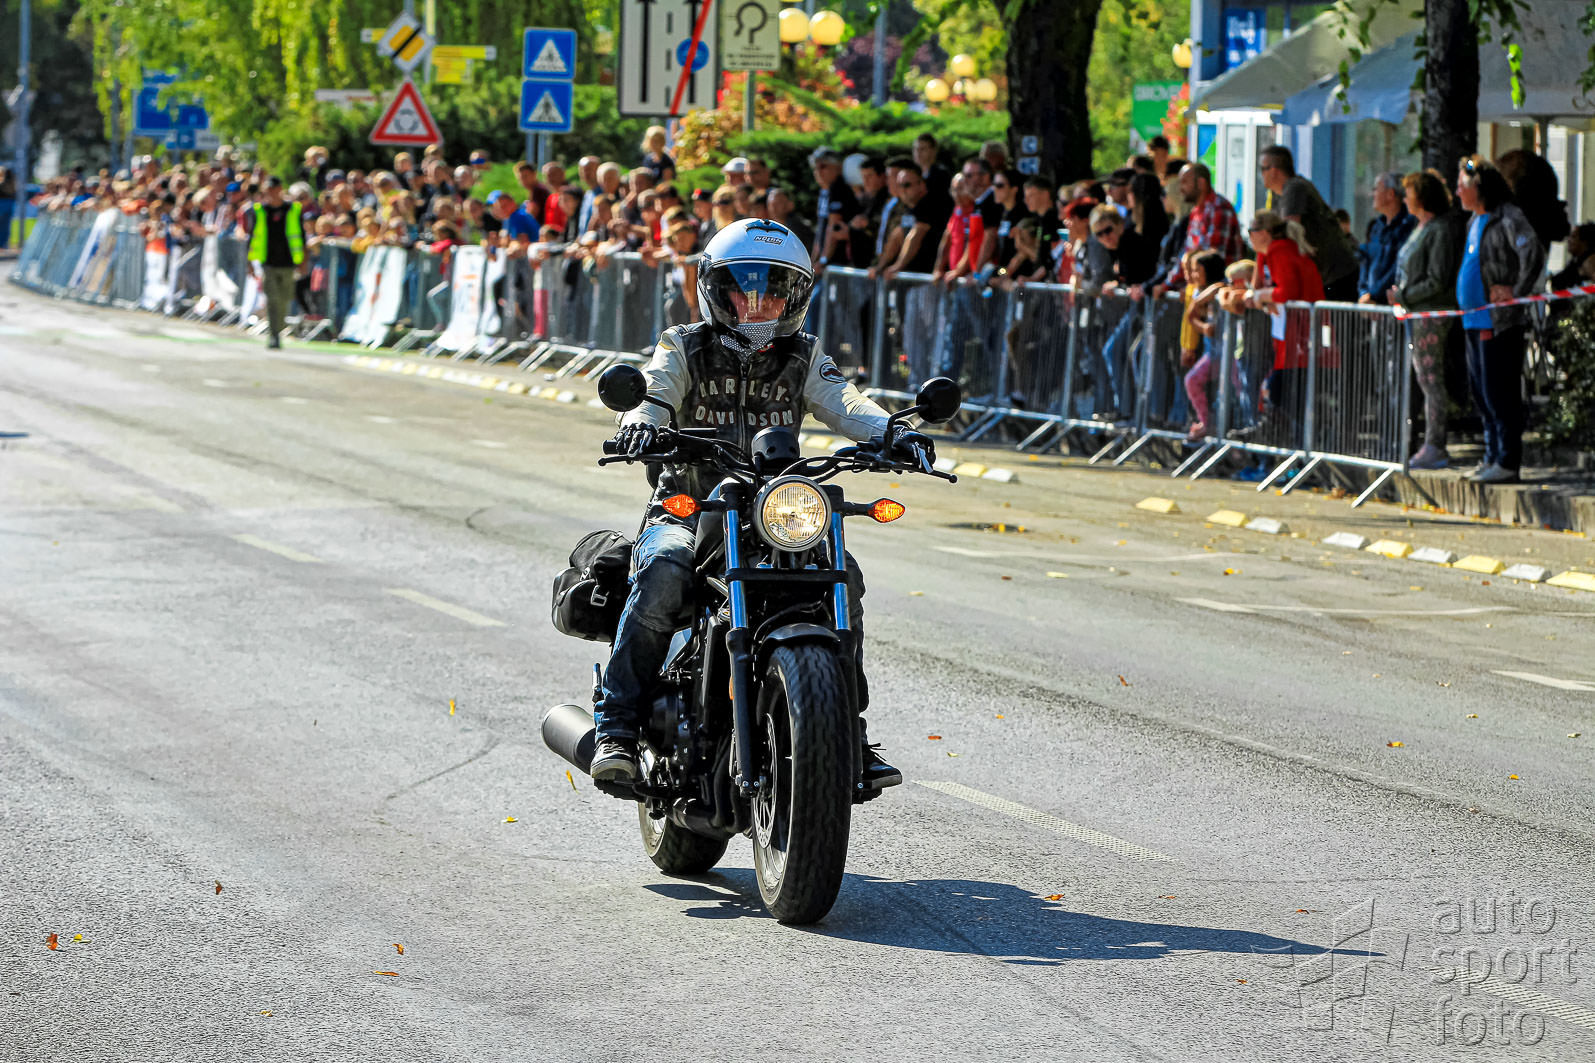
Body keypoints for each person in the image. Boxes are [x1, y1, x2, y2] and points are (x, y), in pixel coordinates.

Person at [590, 218, 922, 791]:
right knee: (664, 570)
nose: (760, 303)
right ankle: (616, 726)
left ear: (794, 298)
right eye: (745, 289)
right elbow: (654, 390)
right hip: (691, 506)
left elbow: (844, 402)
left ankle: (848, 731)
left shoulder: (803, 355)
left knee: (842, 577)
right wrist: (640, 424)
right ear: (716, 291)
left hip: (774, 514)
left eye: (774, 291)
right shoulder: (683, 345)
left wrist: (894, 432)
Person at [1454, 155, 1545, 484]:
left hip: (1498, 321)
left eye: (1462, 186)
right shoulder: (1474, 222)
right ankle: (1492, 456)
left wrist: (1516, 291)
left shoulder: (1507, 216)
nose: (1457, 192)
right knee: (1481, 393)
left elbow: (1532, 253)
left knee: (1498, 392)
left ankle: (1507, 460)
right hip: (1472, 320)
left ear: (1479, 186)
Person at [1387, 170, 1464, 470]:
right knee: (1421, 379)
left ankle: (1435, 444)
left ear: (1421, 197)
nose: (1404, 199)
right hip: (1414, 313)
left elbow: (1437, 278)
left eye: (1409, 193)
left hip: (1430, 314)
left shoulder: (1440, 229)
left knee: (1430, 380)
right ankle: (1419, 441)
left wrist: (1404, 295)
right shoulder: (1422, 227)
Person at [1240, 210, 1324, 440]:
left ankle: (1293, 445)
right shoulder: (1268, 254)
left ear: (1265, 233)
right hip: (1288, 334)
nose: (1249, 236)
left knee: (1285, 394)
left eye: (1251, 231)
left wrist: (1261, 296)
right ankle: (1277, 439)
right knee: (1280, 392)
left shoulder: (1281, 252)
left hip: (1301, 333)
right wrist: (1260, 295)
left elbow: (1287, 292)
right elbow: (1257, 290)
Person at [1257, 145, 1359, 302]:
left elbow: (1287, 236)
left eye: (1262, 169)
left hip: (1336, 274)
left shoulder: (1295, 188)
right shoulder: (1277, 195)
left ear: (1274, 170)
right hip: (1323, 275)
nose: (1261, 174)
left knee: (1334, 317)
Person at [1161, 163, 1242, 292]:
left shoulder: (1219, 208)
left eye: (1185, 182)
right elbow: (1187, 251)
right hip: (1199, 288)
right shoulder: (1196, 211)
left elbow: (1212, 259)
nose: (1181, 188)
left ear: (1201, 183)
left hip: (1217, 289)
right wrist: (1168, 284)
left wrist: (1173, 285)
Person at [247, 176, 304, 350]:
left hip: (288, 262)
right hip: (268, 262)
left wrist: (303, 260)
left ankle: (278, 328)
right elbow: (252, 236)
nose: (270, 192)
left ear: (280, 189)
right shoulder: (260, 210)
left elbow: (301, 236)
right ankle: (274, 335)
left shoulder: (292, 209)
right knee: (272, 299)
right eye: (268, 189)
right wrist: (249, 261)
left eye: (273, 188)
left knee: (284, 299)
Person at [1357, 172, 1416, 305]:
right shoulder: (1376, 227)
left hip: (1390, 304)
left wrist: (1374, 296)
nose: (1372, 194)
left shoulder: (1408, 226)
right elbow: (1366, 261)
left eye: (1376, 189)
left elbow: (1398, 266)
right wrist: (1364, 293)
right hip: (1370, 304)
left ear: (1390, 194)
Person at [809, 148, 861, 267]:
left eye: (823, 166)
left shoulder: (839, 188)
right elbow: (821, 230)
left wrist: (823, 260)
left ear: (838, 167)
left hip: (839, 261)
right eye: (815, 168)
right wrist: (812, 262)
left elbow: (833, 226)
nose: (818, 171)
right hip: (827, 261)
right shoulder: (825, 191)